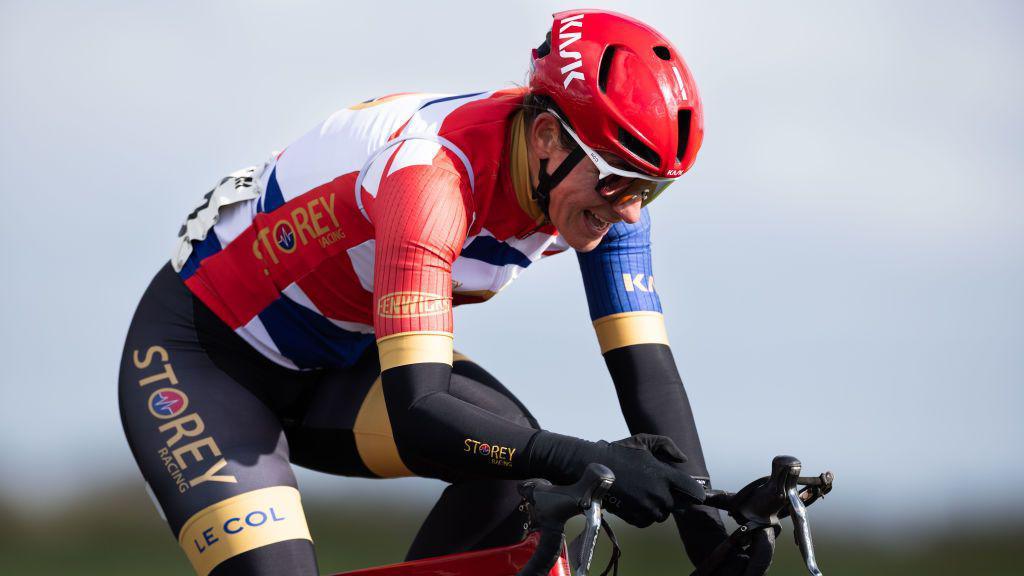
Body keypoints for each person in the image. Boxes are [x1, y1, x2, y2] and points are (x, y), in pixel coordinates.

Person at [119, 9, 752, 576]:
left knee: (513, 461)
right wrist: (589, 461)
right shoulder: (432, 180)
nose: (634, 213)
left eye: (651, 190)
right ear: (546, 138)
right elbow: (420, 416)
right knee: (529, 457)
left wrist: (705, 510)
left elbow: (646, 373)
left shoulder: (597, 186)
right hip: (207, 362)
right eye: (621, 184)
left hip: (341, 363)